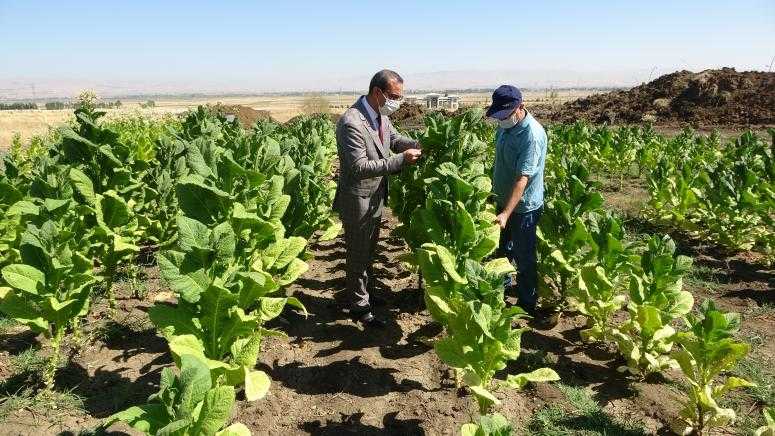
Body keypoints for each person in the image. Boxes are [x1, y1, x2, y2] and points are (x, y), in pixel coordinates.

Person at [333, 69, 422, 327]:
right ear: (377, 93)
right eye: (394, 96)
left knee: (369, 250)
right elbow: (358, 168)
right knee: (358, 255)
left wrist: (419, 143)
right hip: (358, 199)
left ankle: (365, 295)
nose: (398, 102)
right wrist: (400, 161)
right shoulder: (352, 121)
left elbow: (394, 139)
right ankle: (359, 308)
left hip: (375, 196)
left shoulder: (380, 116)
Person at [486, 85, 548, 317]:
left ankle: (526, 304)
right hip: (502, 202)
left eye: (505, 115)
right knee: (501, 254)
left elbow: (523, 179)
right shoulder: (505, 127)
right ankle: (499, 297)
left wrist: (506, 213)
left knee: (524, 257)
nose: (501, 120)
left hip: (523, 207)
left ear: (520, 107)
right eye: (498, 116)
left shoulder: (532, 135)